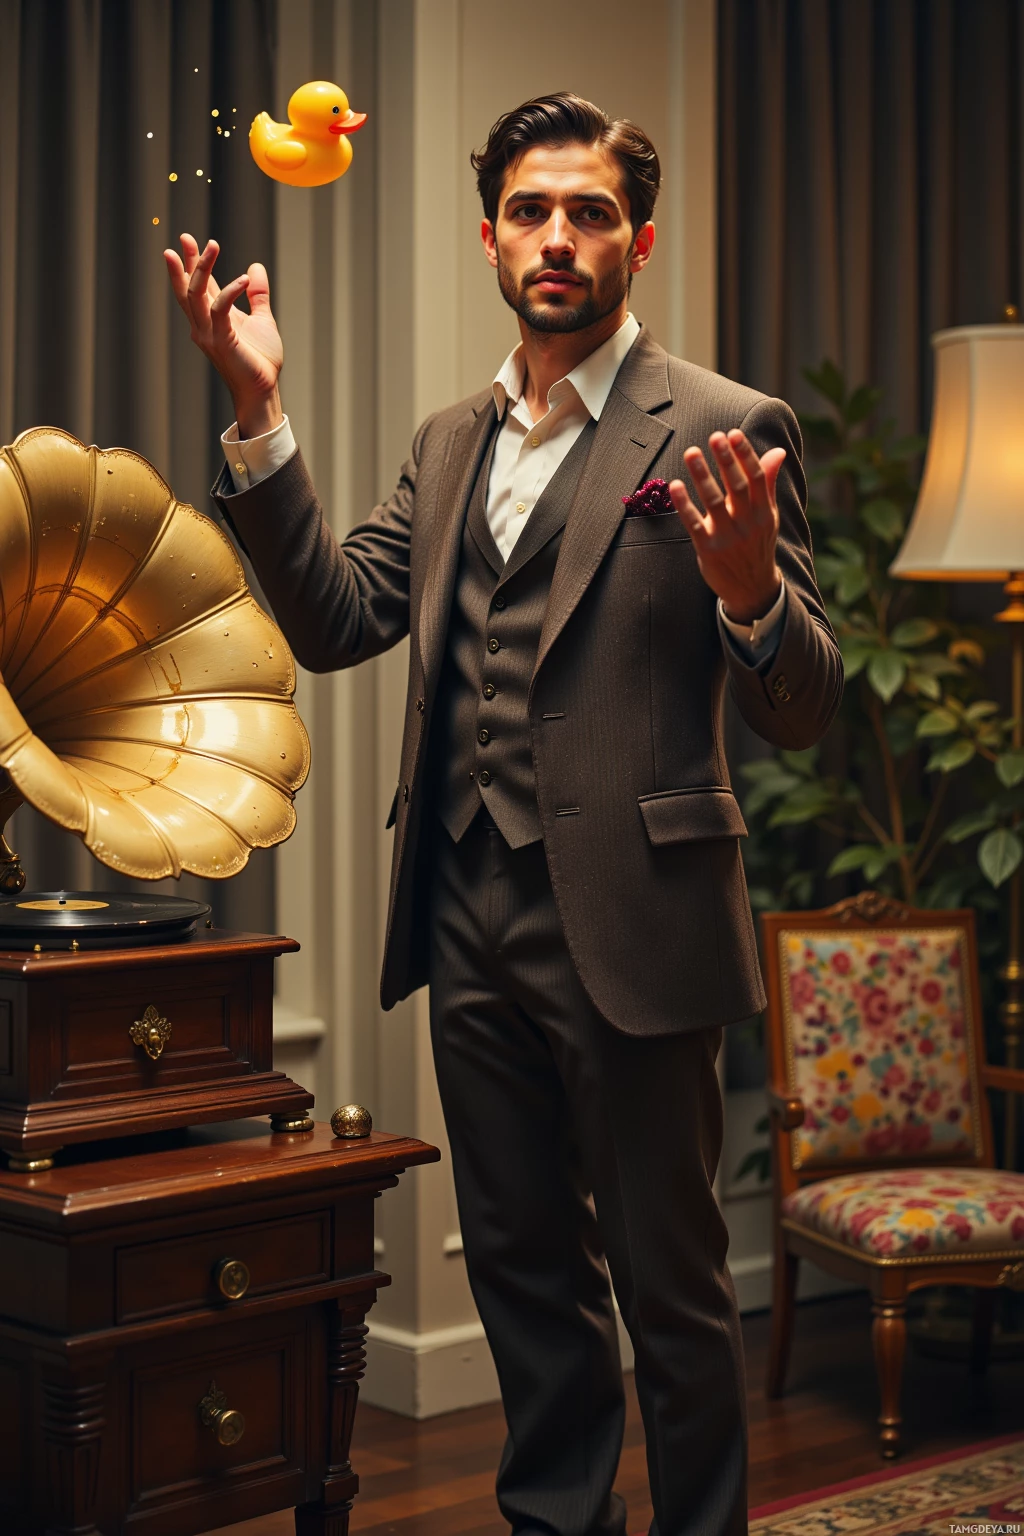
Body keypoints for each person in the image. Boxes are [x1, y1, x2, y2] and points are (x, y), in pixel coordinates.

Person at [166, 92, 841, 1536]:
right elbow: (343, 617)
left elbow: (804, 704)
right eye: (531, 211)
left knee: (669, 1294)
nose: (558, 237)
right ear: (490, 235)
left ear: (637, 242)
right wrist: (260, 414)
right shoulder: (449, 441)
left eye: (590, 213)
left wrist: (749, 595)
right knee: (524, 1272)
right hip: (465, 910)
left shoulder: (725, 427)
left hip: (640, 924)